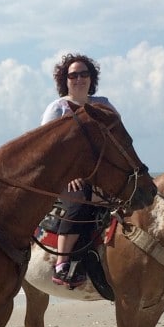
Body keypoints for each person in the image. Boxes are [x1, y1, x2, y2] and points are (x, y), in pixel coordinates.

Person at [40, 53, 118, 287]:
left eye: (84, 74)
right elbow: (47, 149)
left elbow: (116, 140)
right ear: (65, 80)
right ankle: (62, 263)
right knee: (81, 198)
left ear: (91, 78)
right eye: (73, 75)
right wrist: (69, 175)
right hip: (68, 177)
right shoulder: (57, 109)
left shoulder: (103, 104)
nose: (79, 79)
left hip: (101, 174)